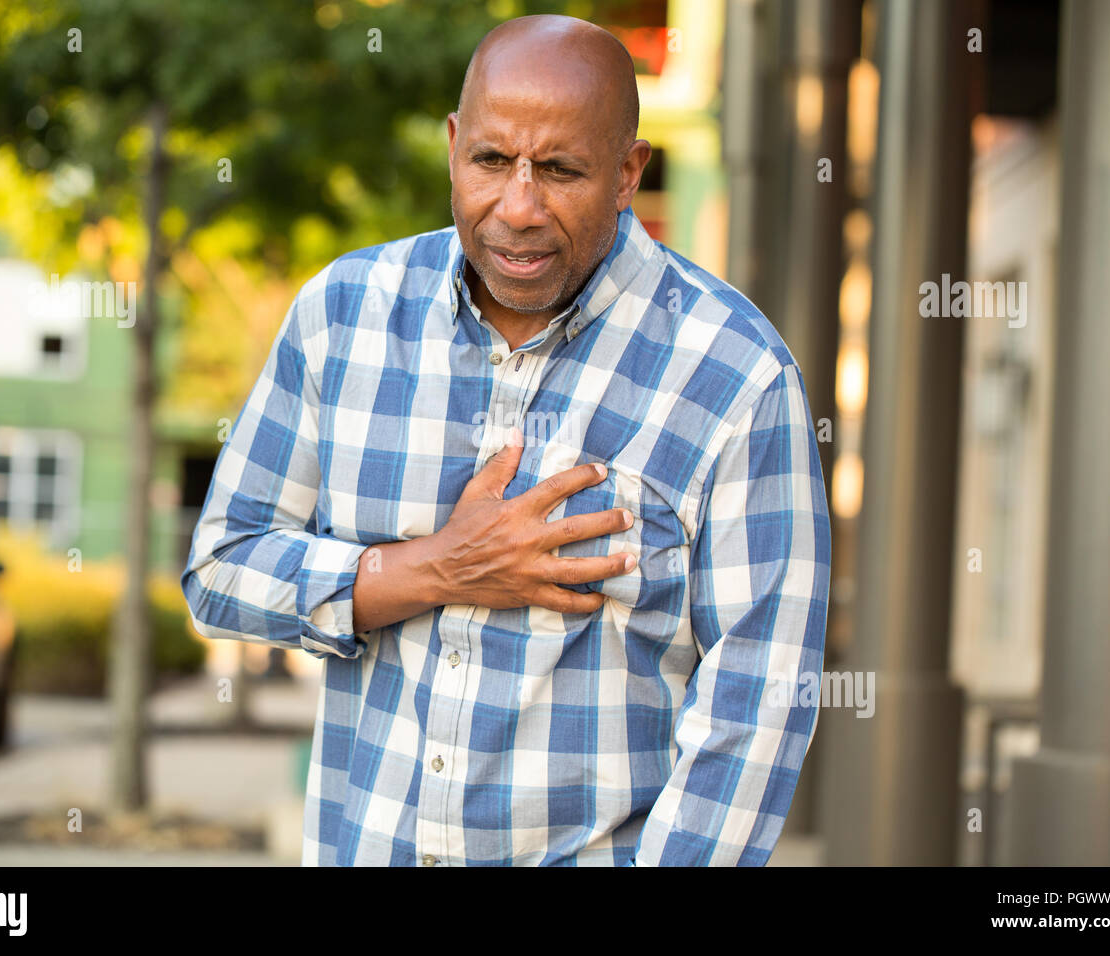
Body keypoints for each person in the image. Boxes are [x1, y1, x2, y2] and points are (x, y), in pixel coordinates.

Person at [182, 14, 830, 866]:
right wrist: (431, 569)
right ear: (454, 145)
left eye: (561, 171)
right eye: (491, 161)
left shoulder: (736, 376)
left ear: (631, 172)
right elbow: (222, 568)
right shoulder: (343, 316)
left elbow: (760, 699)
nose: (519, 208)